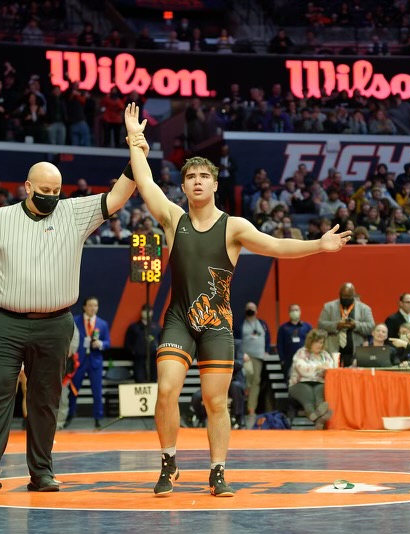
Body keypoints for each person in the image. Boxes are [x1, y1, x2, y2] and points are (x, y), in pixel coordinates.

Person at [124, 103, 351, 497]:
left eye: (203, 177)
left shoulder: (234, 227)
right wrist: (135, 140)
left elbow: (278, 246)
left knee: (215, 401)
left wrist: (319, 244)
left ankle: (217, 471)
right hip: (179, 318)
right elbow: (144, 182)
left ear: (214, 185)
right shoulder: (172, 219)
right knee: (165, 391)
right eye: (190, 177)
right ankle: (168, 462)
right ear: (184, 186)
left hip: (216, 325)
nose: (196, 182)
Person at [0, 152, 137, 498]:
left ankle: (42, 472)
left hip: (55, 324)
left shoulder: (74, 213)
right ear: (28, 187)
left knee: (45, 400)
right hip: (3, 322)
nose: (51, 195)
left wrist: (136, 149)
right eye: (44, 189)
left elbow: (118, 196)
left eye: (57, 190)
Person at [68, 296, 110, 429]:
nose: (93, 308)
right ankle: (69, 414)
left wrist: (101, 344)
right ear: (85, 307)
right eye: (91, 305)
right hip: (78, 361)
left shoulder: (102, 324)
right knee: (73, 389)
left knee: (97, 391)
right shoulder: (75, 321)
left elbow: (108, 343)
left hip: (95, 362)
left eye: (95, 306)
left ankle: (98, 418)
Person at [318, 283, 375, 368]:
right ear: (339, 294)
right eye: (344, 296)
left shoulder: (364, 309)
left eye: (349, 297)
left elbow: (371, 327)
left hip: (355, 351)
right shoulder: (328, 307)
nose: (346, 299)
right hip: (333, 350)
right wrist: (337, 325)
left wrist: (355, 325)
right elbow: (321, 325)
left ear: (354, 295)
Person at [287, 329, 334, 429]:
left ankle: (317, 421)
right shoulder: (301, 353)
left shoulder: (325, 355)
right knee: (309, 399)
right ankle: (319, 420)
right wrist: (318, 368)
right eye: (316, 342)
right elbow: (302, 370)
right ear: (310, 342)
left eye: (321, 342)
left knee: (320, 399)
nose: (319, 345)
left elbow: (330, 369)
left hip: (319, 382)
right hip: (300, 383)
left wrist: (324, 369)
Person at [241, 301, 271, 429]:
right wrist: (240, 353)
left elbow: (267, 338)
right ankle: (245, 394)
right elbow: (235, 339)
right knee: (248, 375)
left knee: (256, 382)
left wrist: (267, 351)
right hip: (245, 357)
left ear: (257, 311)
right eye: (248, 308)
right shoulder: (240, 324)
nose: (250, 310)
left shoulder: (262, 324)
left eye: (252, 309)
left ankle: (251, 409)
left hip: (259, 357)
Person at [124, 304, 161, 383]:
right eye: (145, 310)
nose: (147, 313)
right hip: (139, 360)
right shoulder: (134, 327)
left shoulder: (157, 328)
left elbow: (162, 342)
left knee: (153, 382)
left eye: (149, 311)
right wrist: (134, 352)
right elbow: (127, 344)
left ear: (152, 312)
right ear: (141, 312)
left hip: (153, 359)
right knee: (140, 381)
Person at [276, 303, 312, 380]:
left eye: (296, 310)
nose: (294, 312)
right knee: (290, 381)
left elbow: (312, 343)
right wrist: (282, 360)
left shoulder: (307, 326)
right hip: (289, 360)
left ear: (300, 311)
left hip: (305, 359)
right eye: (292, 310)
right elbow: (280, 345)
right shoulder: (283, 328)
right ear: (289, 313)